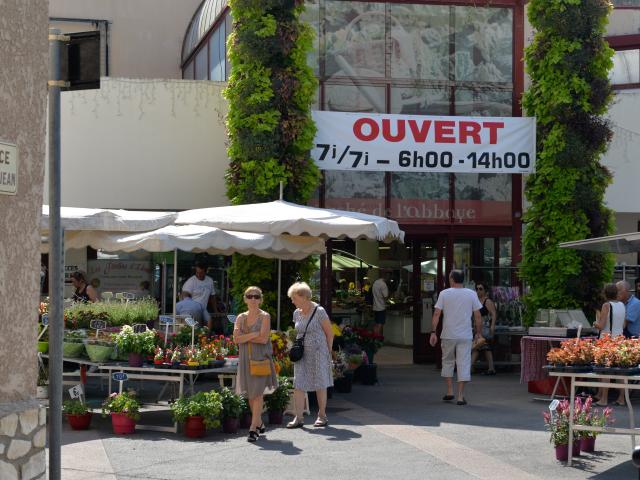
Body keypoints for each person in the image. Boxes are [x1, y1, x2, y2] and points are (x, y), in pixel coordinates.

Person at [430, 270, 483, 406]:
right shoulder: (471, 294)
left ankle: (449, 391)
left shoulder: (444, 294)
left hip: (448, 334)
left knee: (447, 361)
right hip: (465, 335)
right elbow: (477, 316)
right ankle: (460, 396)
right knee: (463, 363)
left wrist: (433, 332)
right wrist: (478, 332)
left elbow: (437, 314)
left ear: (452, 279)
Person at [287, 282, 334, 429]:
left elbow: (330, 333)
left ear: (303, 297)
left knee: (320, 383)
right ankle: (299, 417)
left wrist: (328, 353)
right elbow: (298, 332)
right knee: (299, 383)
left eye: (294, 298)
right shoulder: (297, 313)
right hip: (302, 352)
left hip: (319, 351)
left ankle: (322, 415)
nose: (292, 301)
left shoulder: (319, 311)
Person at [233, 286, 277, 442]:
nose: (253, 299)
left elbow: (264, 339)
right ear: (245, 298)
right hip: (246, 359)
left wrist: (245, 336)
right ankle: (259, 422)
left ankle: (253, 429)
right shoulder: (240, 317)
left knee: (257, 394)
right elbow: (236, 338)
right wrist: (254, 334)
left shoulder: (265, 316)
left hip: (260, 358)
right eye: (250, 296)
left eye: (256, 296)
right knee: (251, 395)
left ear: (260, 299)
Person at [595, 283, 626, 406]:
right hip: (619, 339)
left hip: (607, 340)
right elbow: (623, 325)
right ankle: (622, 398)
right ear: (616, 293)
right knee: (620, 370)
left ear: (605, 293)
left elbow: (601, 326)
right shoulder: (622, 305)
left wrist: (594, 323)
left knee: (605, 370)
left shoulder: (606, 305)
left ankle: (603, 399)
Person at [470, 281, 497, 376]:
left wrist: (492, 326)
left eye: (480, 289)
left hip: (485, 328)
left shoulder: (487, 301)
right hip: (477, 327)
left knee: (478, 347)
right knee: (484, 348)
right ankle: (491, 368)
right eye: (476, 289)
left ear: (485, 290)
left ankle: (469, 367)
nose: (478, 291)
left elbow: (493, 314)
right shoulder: (476, 301)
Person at [182, 261, 215, 332]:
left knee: (209, 321)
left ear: (205, 272)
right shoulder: (191, 281)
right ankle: (196, 339)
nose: (199, 274)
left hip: (203, 308)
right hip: (192, 307)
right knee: (196, 325)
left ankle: (206, 340)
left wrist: (216, 310)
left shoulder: (210, 281)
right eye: (197, 272)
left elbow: (212, 296)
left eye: (201, 273)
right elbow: (184, 294)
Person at [372, 272, 389, 336]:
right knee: (380, 324)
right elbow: (385, 296)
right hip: (381, 307)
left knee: (376, 323)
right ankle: (377, 339)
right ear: (386, 276)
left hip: (375, 307)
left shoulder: (375, 283)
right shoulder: (383, 284)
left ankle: (374, 339)